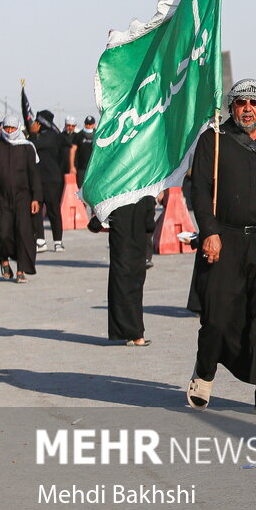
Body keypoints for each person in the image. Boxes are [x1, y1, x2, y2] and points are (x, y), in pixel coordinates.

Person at [185, 79, 256, 417]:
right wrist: (209, 231)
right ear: (231, 107)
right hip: (225, 241)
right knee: (218, 316)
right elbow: (200, 192)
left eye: (255, 103)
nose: (247, 108)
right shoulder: (214, 142)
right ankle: (204, 374)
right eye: (240, 103)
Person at [88, 195, 157, 346]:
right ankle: (138, 334)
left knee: (120, 290)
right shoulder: (147, 195)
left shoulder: (114, 194)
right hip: (139, 248)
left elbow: (95, 225)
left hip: (120, 248)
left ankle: (131, 333)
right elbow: (150, 225)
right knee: (136, 290)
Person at [0, 115, 40, 283]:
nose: (9, 131)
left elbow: (34, 175)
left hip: (23, 198)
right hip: (1, 199)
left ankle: (21, 270)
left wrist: (36, 197)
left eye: (12, 128)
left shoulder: (27, 148)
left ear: (18, 128)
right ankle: (4, 260)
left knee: (23, 233)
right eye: (6, 128)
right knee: (4, 233)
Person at [27, 110, 66, 252]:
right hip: (38, 179)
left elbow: (32, 147)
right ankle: (40, 240)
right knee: (36, 210)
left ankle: (58, 241)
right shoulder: (38, 136)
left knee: (53, 210)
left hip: (51, 179)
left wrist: (31, 134)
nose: (35, 124)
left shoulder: (50, 136)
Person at [69, 115, 97, 188]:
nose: (88, 126)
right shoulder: (79, 135)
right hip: (82, 168)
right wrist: (72, 166)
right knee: (81, 189)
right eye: (87, 124)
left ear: (94, 125)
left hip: (94, 168)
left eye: (90, 124)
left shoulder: (97, 135)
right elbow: (73, 150)